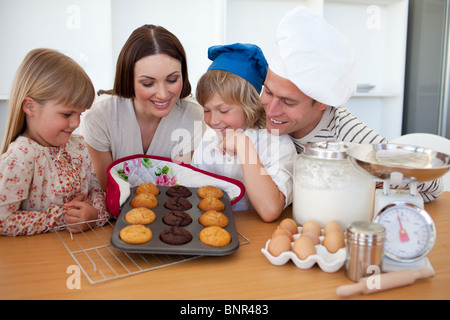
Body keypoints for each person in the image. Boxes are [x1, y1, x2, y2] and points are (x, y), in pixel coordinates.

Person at [261, 6, 442, 202]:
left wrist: (364, 184)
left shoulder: (350, 139)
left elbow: (432, 186)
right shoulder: (253, 113)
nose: (271, 110)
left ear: (322, 102)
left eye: (288, 102)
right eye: (268, 91)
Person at [80, 24, 205, 191]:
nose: (162, 94)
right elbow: (106, 190)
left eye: (172, 80)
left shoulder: (192, 114)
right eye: (148, 83)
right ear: (128, 79)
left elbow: (179, 187)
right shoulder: (99, 116)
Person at [0, 48, 109, 236]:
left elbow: (96, 190)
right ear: (30, 107)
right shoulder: (21, 156)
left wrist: (94, 214)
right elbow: (3, 220)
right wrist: (64, 217)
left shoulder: (79, 146)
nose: (76, 123)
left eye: (80, 113)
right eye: (66, 114)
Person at [191, 43, 297, 222]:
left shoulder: (277, 144)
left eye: (223, 110)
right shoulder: (211, 138)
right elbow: (193, 192)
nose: (213, 120)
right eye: (207, 110)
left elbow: (270, 209)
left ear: (250, 106)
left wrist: (243, 145)